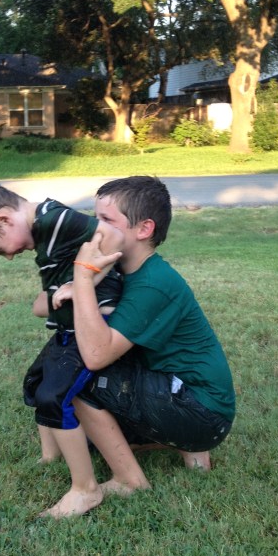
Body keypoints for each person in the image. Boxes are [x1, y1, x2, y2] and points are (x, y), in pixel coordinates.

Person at [0, 183, 124, 517]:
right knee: (36, 382)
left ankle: (86, 489)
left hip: (93, 325)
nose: (9, 256)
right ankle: (50, 455)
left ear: (4, 219)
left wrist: (82, 282)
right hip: (68, 327)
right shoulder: (44, 228)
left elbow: (114, 237)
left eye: (1, 250)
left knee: (54, 398)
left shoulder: (53, 218)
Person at [69, 176, 236, 497]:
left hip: (204, 413)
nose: (95, 227)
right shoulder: (123, 270)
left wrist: (82, 278)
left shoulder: (153, 283)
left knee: (76, 379)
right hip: (190, 396)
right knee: (89, 439)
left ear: (144, 229)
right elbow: (43, 306)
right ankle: (183, 446)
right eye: (95, 217)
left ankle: (129, 480)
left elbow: (95, 354)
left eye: (106, 219)